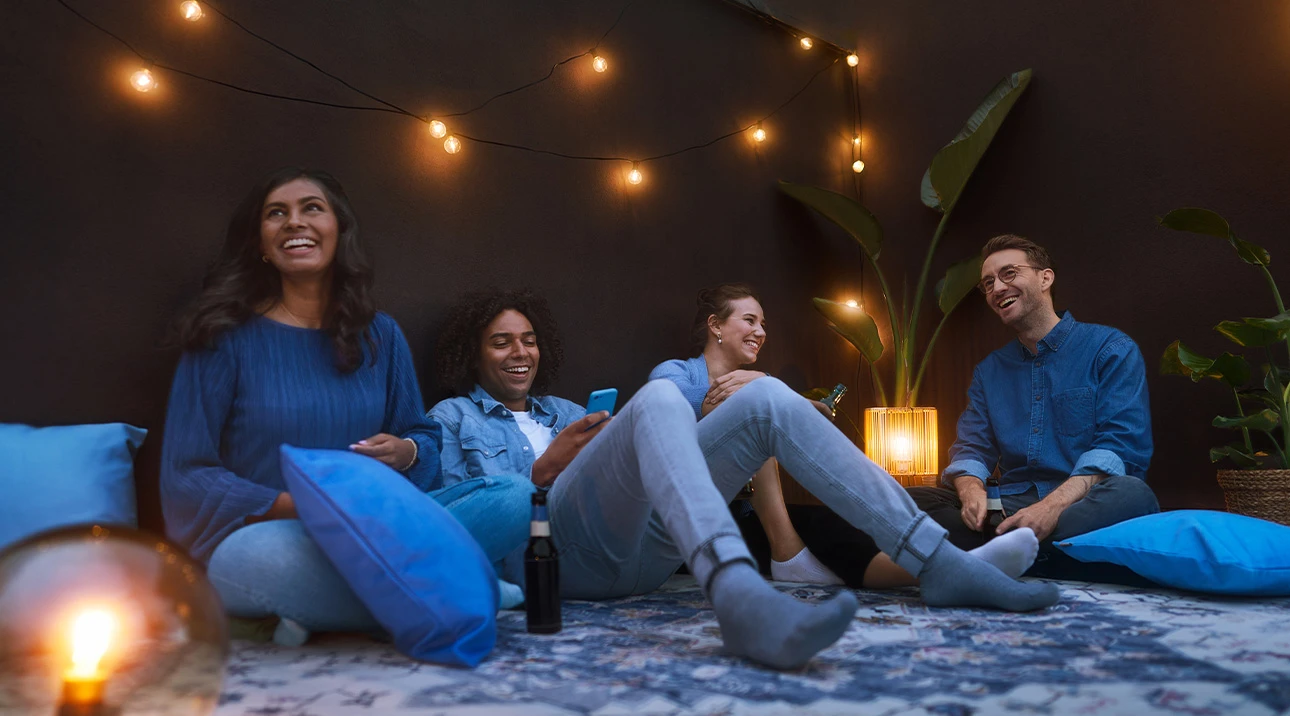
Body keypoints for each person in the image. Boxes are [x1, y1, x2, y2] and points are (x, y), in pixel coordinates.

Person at [429, 290, 1059, 672]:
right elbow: (468, 522)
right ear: (474, 354)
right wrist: (541, 472)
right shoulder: (449, 418)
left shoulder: (565, 412)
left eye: (529, 340)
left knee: (771, 401)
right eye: (501, 342)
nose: (520, 352)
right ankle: (734, 592)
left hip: (644, 555)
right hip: (554, 561)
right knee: (658, 398)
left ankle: (937, 560)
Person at [160, 167, 531, 645]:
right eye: (277, 214)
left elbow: (423, 438)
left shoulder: (381, 335)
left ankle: (334, 608)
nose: (295, 222)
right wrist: (304, 508)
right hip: (276, 536)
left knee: (514, 497)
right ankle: (463, 592)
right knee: (258, 559)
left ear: (339, 230)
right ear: (259, 243)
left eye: (312, 208)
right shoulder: (221, 338)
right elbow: (187, 474)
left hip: (378, 525)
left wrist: (407, 452)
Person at [649, 284, 985, 591]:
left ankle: (949, 569)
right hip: (690, 519)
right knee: (758, 421)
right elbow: (676, 415)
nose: (760, 332)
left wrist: (770, 389)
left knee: (828, 525)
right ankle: (790, 555)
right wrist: (762, 387)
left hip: (747, 514)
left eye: (763, 324)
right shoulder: (673, 373)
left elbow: (795, 412)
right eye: (750, 320)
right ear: (716, 325)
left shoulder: (758, 384)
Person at [910, 234, 1159, 558]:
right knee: (909, 499)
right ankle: (1033, 554)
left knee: (1133, 495)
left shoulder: (1110, 348)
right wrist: (971, 490)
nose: (997, 288)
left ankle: (988, 553)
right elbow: (973, 447)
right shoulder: (990, 372)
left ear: (1045, 278)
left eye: (1009, 273)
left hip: (1083, 502)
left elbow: (1122, 446)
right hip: (1011, 504)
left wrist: (1052, 507)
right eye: (988, 283)